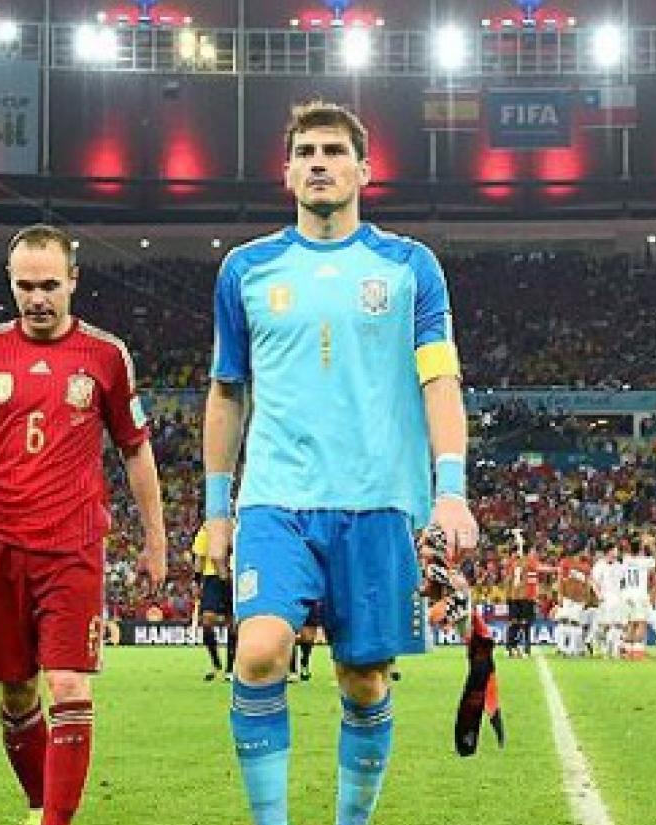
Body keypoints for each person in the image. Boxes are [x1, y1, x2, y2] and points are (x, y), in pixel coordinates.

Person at [202, 99, 478, 825]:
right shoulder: (246, 270)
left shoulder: (410, 268)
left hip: (379, 501)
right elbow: (227, 392)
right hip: (276, 500)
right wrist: (216, 511)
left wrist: (451, 490)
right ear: (287, 171)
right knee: (259, 651)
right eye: (306, 152)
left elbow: (440, 381)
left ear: (364, 169)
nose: (319, 163)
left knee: (363, 680)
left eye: (333, 151)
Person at [0, 224, 170, 825]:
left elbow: (136, 449)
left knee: (68, 684)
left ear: (73, 281)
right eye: (25, 286)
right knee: (17, 690)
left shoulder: (106, 354)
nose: (37, 299)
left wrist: (156, 539)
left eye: (49, 286)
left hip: (72, 543)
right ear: (11, 284)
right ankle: (43, 805)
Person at [193, 526, 236, 683]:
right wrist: (197, 581)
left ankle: (231, 668)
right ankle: (216, 663)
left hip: (235, 575)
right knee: (207, 619)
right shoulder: (206, 530)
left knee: (233, 623)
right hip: (212, 578)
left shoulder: (239, 527)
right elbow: (199, 557)